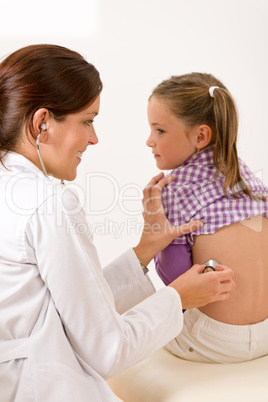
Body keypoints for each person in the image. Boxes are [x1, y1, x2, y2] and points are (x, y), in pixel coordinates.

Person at [0, 46, 235, 401]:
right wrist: (179, 297)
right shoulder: (48, 204)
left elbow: (64, 304)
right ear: (41, 122)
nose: (94, 138)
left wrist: (143, 252)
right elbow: (107, 348)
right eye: (88, 121)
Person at [146, 72, 268, 364]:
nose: (149, 141)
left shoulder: (175, 190)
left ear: (201, 136)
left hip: (214, 340)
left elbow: (177, 282)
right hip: (265, 331)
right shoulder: (245, 178)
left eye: (159, 131)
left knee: (139, 321)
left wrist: (155, 224)